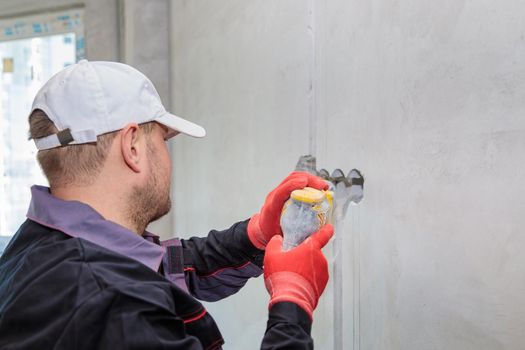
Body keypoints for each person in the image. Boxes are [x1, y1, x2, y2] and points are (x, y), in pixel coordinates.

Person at [0, 60, 334, 349]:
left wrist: (255, 235)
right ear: (132, 146)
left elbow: (155, 264)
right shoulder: (116, 306)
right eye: (162, 139)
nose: (167, 157)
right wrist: (293, 303)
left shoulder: (37, 245)